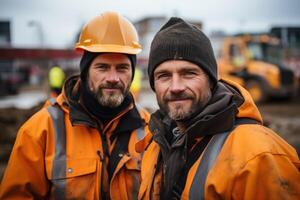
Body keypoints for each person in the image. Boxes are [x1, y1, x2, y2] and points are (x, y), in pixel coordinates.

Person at [137, 17, 300, 200]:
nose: (176, 87)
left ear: (212, 81)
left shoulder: (259, 156)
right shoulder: (155, 144)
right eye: (164, 75)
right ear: (153, 84)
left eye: (189, 73)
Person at [0, 11, 150, 199]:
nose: (113, 78)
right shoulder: (40, 130)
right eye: (102, 67)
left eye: (122, 68)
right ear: (85, 71)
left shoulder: (148, 127)